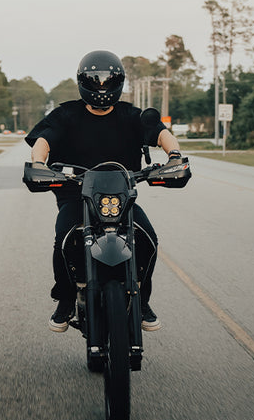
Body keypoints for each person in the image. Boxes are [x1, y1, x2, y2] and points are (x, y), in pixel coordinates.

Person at [25, 50, 183, 333]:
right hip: (76, 195)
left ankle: (142, 299)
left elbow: (161, 133)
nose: (101, 87)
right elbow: (43, 141)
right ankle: (65, 298)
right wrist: (39, 163)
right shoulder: (65, 114)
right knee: (64, 239)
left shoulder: (131, 115)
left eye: (107, 81)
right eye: (94, 81)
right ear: (83, 82)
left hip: (121, 198)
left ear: (118, 83)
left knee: (148, 239)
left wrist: (175, 157)